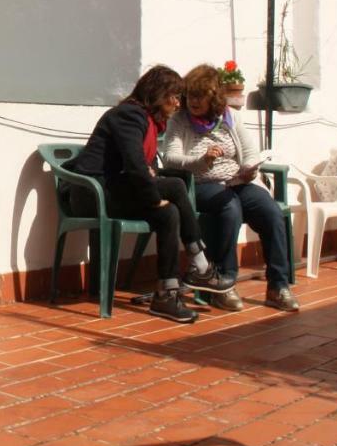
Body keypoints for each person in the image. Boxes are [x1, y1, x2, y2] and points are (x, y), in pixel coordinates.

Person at [67, 65, 231, 323]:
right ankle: (200, 265)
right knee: (175, 188)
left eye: (180, 97)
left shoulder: (150, 123)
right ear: (158, 94)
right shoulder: (128, 116)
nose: (178, 103)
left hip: (117, 190)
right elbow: (134, 165)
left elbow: (147, 167)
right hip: (92, 193)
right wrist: (154, 197)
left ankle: (167, 294)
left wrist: (154, 184)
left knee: (169, 213)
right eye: (174, 96)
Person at [163, 64, 300, 313]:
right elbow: (170, 158)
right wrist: (201, 160)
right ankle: (224, 285)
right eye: (190, 95)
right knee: (229, 206)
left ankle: (277, 286)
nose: (193, 100)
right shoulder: (179, 120)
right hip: (201, 184)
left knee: (271, 212)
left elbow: (249, 152)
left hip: (236, 182)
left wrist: (251, 169)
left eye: (200, 96)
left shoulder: (230, 117)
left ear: (213, 97)